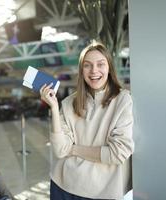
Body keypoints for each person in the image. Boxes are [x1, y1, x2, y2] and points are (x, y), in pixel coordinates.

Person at [40, 41, 134, 200]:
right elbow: (60, 149)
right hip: (63, 186)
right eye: (87, 65)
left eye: (100, 64)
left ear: (109, 68)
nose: (94, 71)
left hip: (104, 191)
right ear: (81, 70)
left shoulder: (123, 100)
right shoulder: (69, 103)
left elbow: (118, 153)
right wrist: (55, 109)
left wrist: (74, 149)